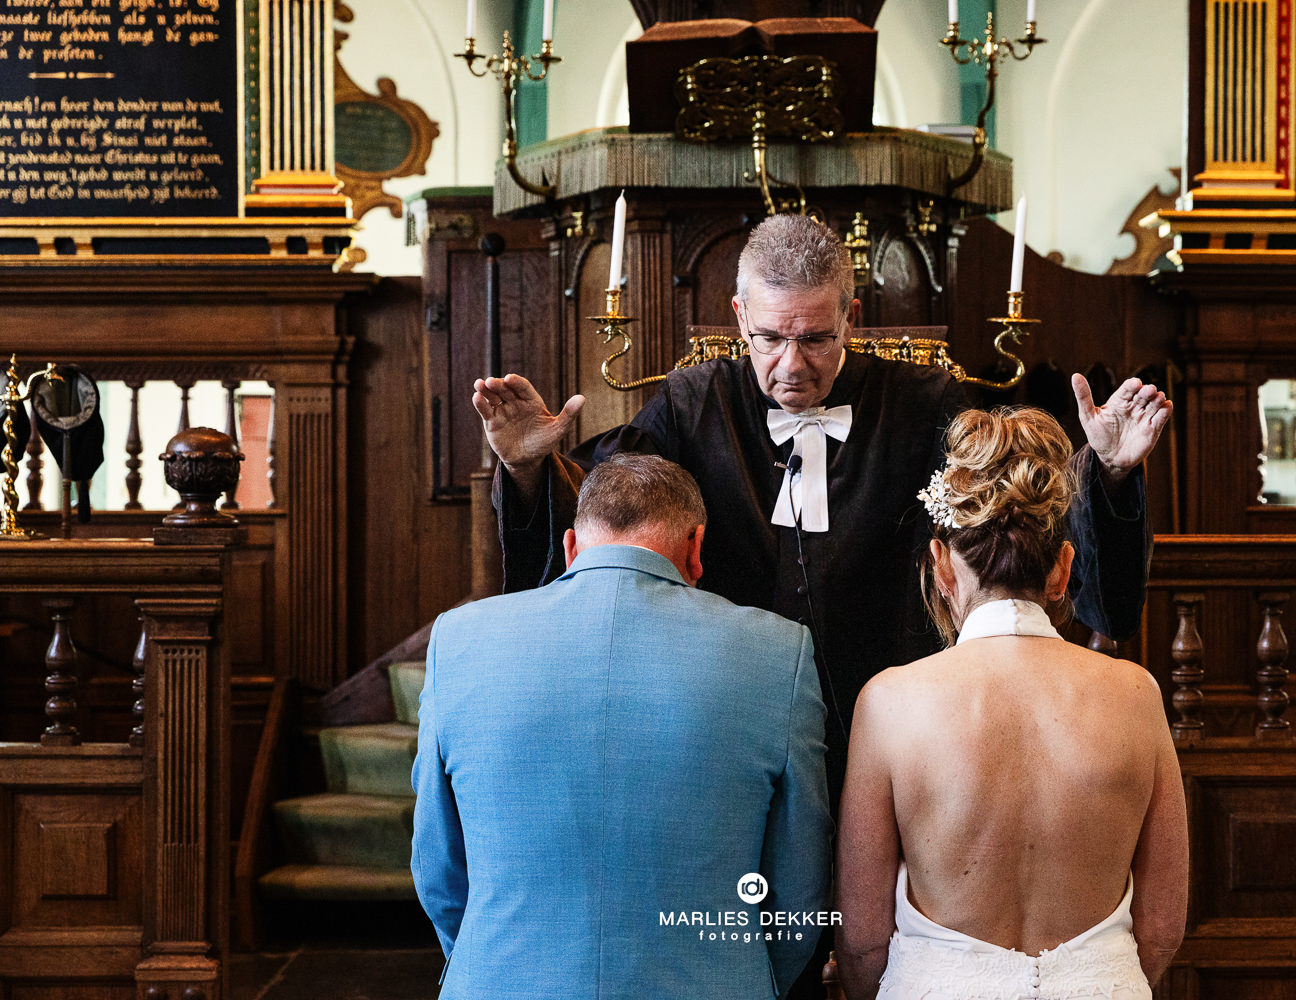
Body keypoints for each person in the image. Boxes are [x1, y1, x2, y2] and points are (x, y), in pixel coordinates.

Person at [474, 214, 1171, 777]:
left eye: (815, 339)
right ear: (739, 315)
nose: (791, 365)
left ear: (851, 317)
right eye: (769, 338)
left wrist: (1107, 473)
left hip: (898, 708)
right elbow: (608, 517)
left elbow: (1013, 506)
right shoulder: (693, 403)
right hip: (729, 714)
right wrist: (529, 469)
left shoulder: (925, 402)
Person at [411, 454, 832, 999]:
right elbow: (802, 880)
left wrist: (486, 965)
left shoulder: (458, 640)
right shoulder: (779, 650)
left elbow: (437, 867)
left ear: (570, 547)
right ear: (696, 546)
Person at [834, 407, 1189, 1000]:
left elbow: (863, 940)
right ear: (1062, 570)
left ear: (942, 566)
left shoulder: (888, 702)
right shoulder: (1136, 695)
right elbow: (1161, 930)